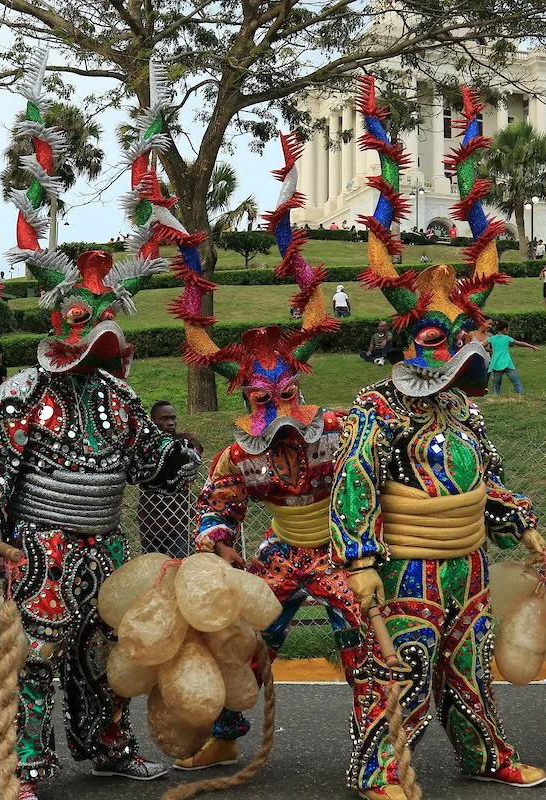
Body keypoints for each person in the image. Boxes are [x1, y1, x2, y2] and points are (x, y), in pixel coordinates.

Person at [0, 78, 199, 800]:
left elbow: (149, 462)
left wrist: (182, 458)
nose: (96, 347)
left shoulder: (119, 398)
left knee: (109, 651)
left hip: (106, 543)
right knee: (36, 654)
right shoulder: (21, 395)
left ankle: (107, 744)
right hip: (42, 546)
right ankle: (28, 764)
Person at [340, 85, 546, 798]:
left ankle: (485, 754)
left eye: (460, 338)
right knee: (400, 667)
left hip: (468, 565)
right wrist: (359, 560)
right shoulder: (377, 407)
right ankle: (381, 770)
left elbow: (487, 477)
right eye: (435, 338)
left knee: (471, 667)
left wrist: (520, 523)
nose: (450, 351)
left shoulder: (463, 413)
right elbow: (355, 486)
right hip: (406, 566)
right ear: (406, 340)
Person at [171, 149, 369, 781]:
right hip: (281, 553)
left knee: (366, 645)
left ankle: (378, 757)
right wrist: (219, 542)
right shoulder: (239, 452)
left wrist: (365, 551)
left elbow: (371, 481)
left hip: (341, 551)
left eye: (285, 394)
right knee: (244, 646)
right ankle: (226, 738)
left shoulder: (337, 430)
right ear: (246, 399)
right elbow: (217, 503)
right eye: (262, 398)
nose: (278, 408)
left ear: (299, 386)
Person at [136, 401, 202, 559]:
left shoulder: (184, 441)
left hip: (178, 522)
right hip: (150, 521)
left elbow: (194, 449)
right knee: (152, 567)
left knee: (183, 565)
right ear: (153, 421)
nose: (171, 422)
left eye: (173, 418)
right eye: (164, 418)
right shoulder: (146, 447)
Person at [487, 321, 538, 395]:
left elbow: (481, 345)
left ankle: (495, 398)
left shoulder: (492, 338)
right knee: (517, 383)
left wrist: (490, 350)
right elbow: (520, 343)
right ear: (504, 329)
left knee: (496, 386)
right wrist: (532, 346)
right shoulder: (506, 338)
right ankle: (522, 396)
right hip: (507, 363)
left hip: (496, 364)